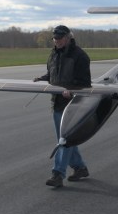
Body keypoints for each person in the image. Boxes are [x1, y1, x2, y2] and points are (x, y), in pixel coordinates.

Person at [34, 25, 91, 188]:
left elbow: (85, 83)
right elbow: (52, 74)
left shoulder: (80, 56)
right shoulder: (54, 54)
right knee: (66, 139)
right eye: (54, 38)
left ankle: (58, 174)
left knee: (64, 139)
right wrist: (41, 79)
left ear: (68, 38)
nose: (56, 41)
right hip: (57, 103)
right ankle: (80, 168)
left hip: (73, 105)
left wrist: (71, 91)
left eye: (59, 38)